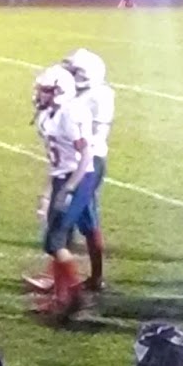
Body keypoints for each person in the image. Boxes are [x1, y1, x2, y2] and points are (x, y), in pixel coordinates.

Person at [30, 65, 97, 318]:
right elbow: (56, 161)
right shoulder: (49, 114)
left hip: (78, 177)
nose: (40, 94)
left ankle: (76, 297)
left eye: (45, 90)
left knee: (55, 240)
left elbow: (86, 155)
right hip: (62, 176)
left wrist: (69, 188)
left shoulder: (71, 113)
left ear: (59, 92)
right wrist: (49, 191)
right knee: (57, 240)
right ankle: (61, 297)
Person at [65, 49, 114, 290]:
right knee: (65, 219)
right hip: (76, 161)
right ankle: (63, 275)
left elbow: (92, 138)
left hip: (87, 163)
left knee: (86, 219)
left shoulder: (98, 97)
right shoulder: (84, 93)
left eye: (75, 71)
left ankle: (96, 277)